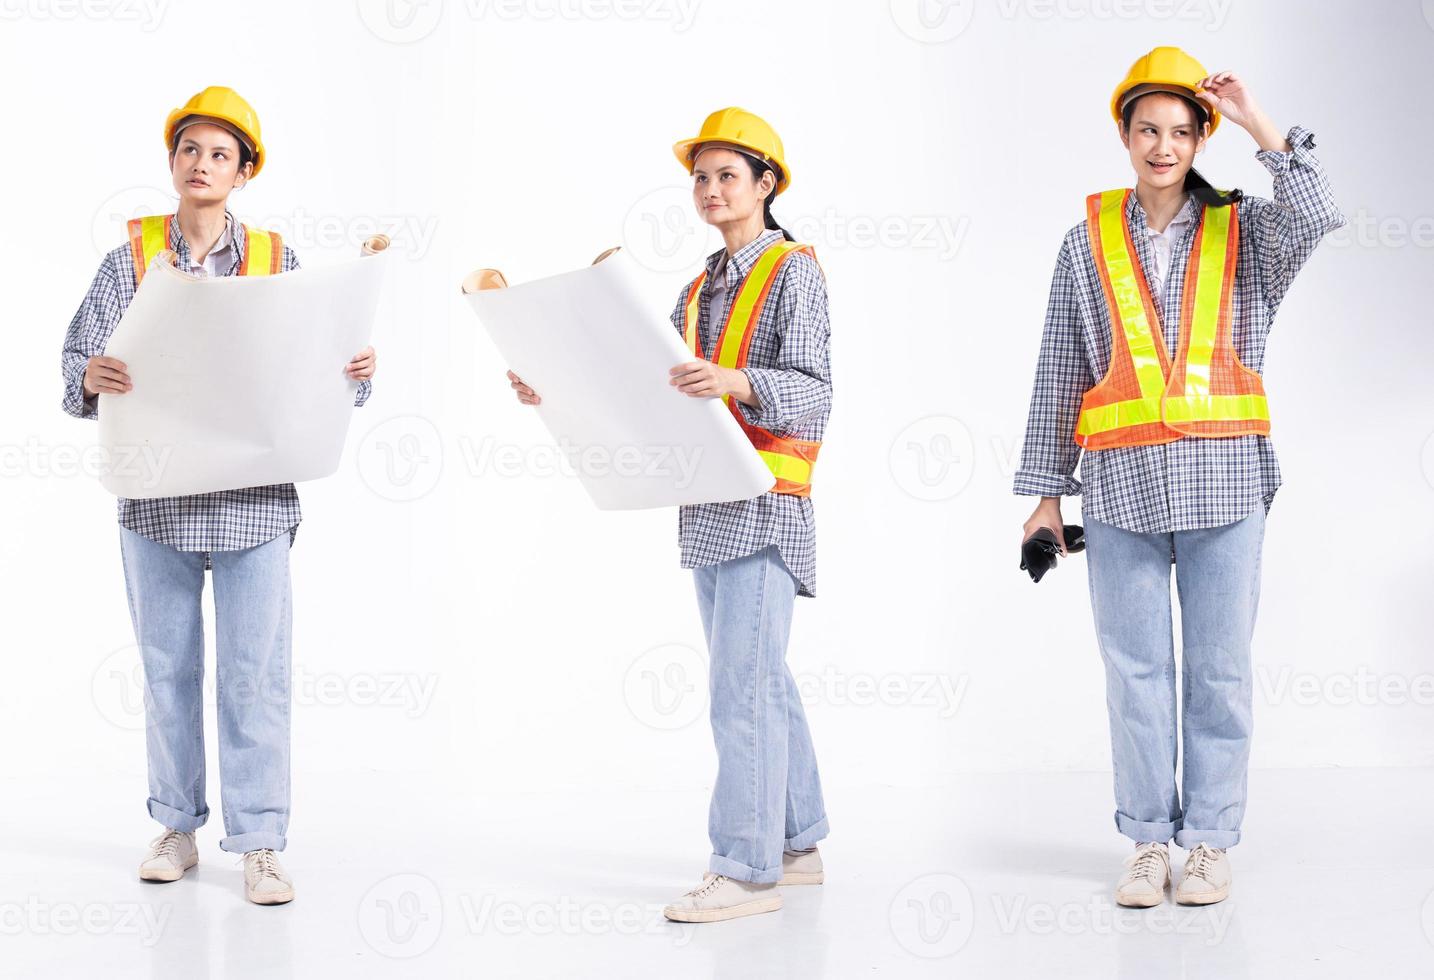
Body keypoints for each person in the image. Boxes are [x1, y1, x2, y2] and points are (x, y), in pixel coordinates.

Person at [1014, 47, 1343, 908]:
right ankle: (1149, 841)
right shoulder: (1084, 243)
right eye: (1147, 130)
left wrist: (1254, 119)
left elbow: (1320, 211)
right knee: (1135, 673)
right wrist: (1047, 494)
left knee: (1220, 671)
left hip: (1225, 486)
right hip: (1119, 491)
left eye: (1181, 131)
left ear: (1201, 139)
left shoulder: (1246, 230)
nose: (1163, 146)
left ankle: (1209, 844)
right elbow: (1058, 368)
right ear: (1125, 136)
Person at [507, 106, 833, 923]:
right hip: (710, 506)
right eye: (700, 176)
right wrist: (554, 386)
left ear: (767, 185)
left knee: (742, 687)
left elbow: (817, 395)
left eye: (728, 175)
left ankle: (746, 871)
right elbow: (644, 387)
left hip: (765, 505)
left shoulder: (794, 271)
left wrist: (736, 380)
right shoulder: (697, 287)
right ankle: (795, 845)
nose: (711, 189)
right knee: (763, 680)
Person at [60, 85, 378, 906]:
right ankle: (176, 825)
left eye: (219, 154)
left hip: (254, 506)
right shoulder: (128, 258)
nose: (202, 165)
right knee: (168, 670)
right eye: (190, 150)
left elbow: (319, 368)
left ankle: (262, 842)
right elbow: (78, 363)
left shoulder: (276, 260)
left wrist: (356, 371)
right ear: (173, 163)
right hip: (155, 501)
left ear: (244, 172)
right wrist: (87, 375)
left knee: (254, 675)